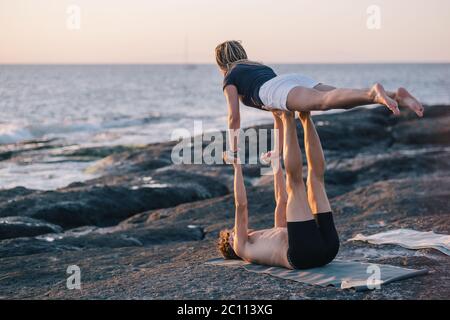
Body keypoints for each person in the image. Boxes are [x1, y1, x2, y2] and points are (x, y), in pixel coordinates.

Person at [215, 40, 424, 155]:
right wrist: (277, 151)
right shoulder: (259, 67)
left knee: (324, 102)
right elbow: (278, 115)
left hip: (276, 91)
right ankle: (395, 95)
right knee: (337, 96)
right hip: (293, 79)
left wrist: (233, 148)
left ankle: (374, 92)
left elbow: (233, 116)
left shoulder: (231, 76)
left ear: (221, 63)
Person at [218, 111, 339, 269]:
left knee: (316, 179)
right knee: (296, 184)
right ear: (231, 245)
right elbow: (241, 206)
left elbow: (282, 199)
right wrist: (237, 167)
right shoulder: (241, 248)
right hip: (302, 255)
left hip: (327, 250)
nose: (236, 231)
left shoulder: (272, 234)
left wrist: (275, 164)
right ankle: (287, 116)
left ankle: (305, 115)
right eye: (231, 234)